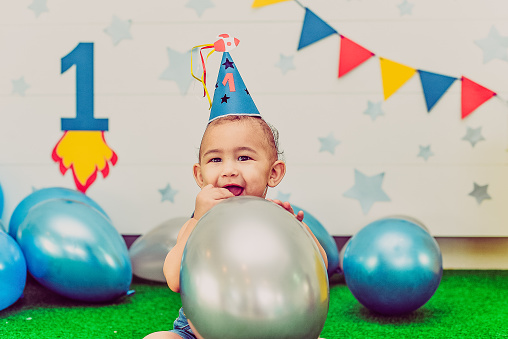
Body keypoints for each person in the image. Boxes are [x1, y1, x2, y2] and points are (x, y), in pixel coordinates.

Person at [144, 42, 328, 339]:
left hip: (277, 327)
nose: (229, 169)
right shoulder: (197, 224)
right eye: (216, 159)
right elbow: (174, 279)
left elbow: (320, 266)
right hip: (202, 330)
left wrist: (297, 230)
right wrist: (197, 221)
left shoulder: (278, 221)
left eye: (244, 157)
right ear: (199, 174)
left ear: (274, 172)